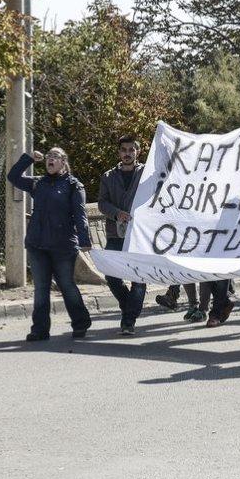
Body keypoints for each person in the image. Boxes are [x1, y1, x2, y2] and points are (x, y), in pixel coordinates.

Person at [7, 148, 92, 341]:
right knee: (41, 288)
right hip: (37, 245)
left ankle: (80, 323)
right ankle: (40, 329)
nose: (50, 160)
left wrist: (85, 241)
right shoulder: (39, 183)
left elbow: (81, 215)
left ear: (63, 161)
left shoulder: (73, 186)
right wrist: (28, 159)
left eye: (55, 157)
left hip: (63, 247)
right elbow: (13, 176)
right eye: (48, 157)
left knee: (67, 285)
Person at [97, 135, 146, 335]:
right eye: (124, 150)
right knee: (111, 276)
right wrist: (117, 213)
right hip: (115, 234)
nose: (127, 153)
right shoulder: (108, 176)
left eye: (131, 150)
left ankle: (128, 321)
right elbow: (101, 203)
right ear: (119, 153)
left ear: (137, 152)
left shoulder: (147, 174)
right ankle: (129, 306)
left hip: (140, 235)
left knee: (139, 278)